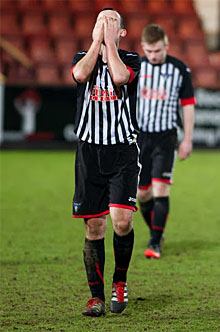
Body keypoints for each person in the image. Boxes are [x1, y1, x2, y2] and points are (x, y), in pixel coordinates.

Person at [71, 8, 141, 317]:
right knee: (95, 224)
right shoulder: (80, 57)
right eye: (100, 21)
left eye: (112, 23)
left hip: (122, 151)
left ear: (121, 32)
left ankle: (120, 282)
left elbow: (120, 77)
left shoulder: (131, 60)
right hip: (89, 151)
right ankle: (96, 297)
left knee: (122, 221)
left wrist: (109, 44)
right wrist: (97, 42)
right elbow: (80, 75)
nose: (105, 26)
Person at [136, 24, 195, 259]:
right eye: (149, 51)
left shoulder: (179, 69)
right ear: (143, 47)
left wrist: (187, 139)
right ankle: (156, 232)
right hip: (139, 137)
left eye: (157, 51)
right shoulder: (136, 67)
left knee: (161, 189)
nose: (153, 56)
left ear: (166, 45)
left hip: (165, 137)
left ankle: (154, 243)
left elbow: (188, 105)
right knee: (143, 194)